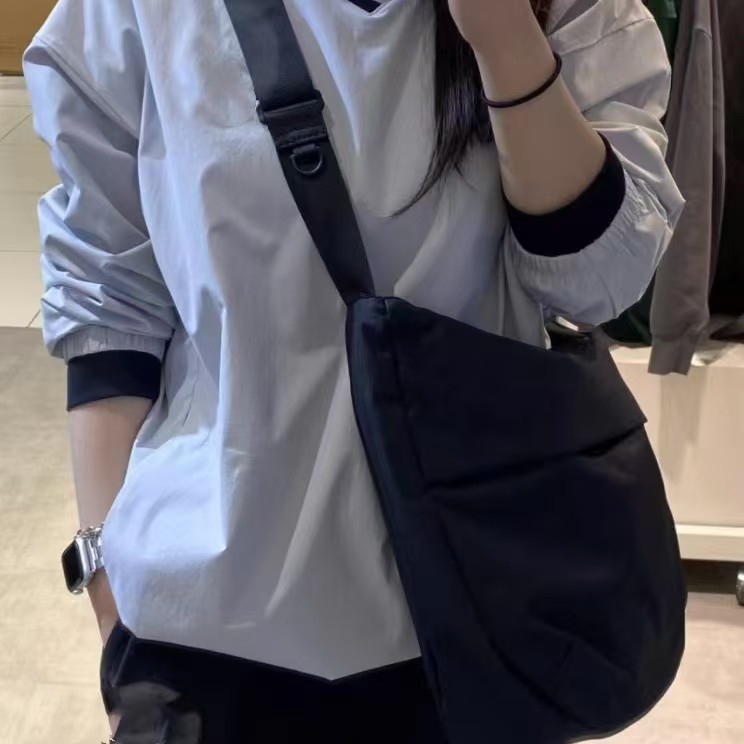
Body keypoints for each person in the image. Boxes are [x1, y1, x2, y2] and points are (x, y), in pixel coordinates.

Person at [23, 0, 683, 741]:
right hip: (202, 635)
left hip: (476, 620)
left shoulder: (572, 10)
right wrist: (110, 603)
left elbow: (599, 280)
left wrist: (504, 37)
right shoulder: (132, 15)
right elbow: (109, 301)